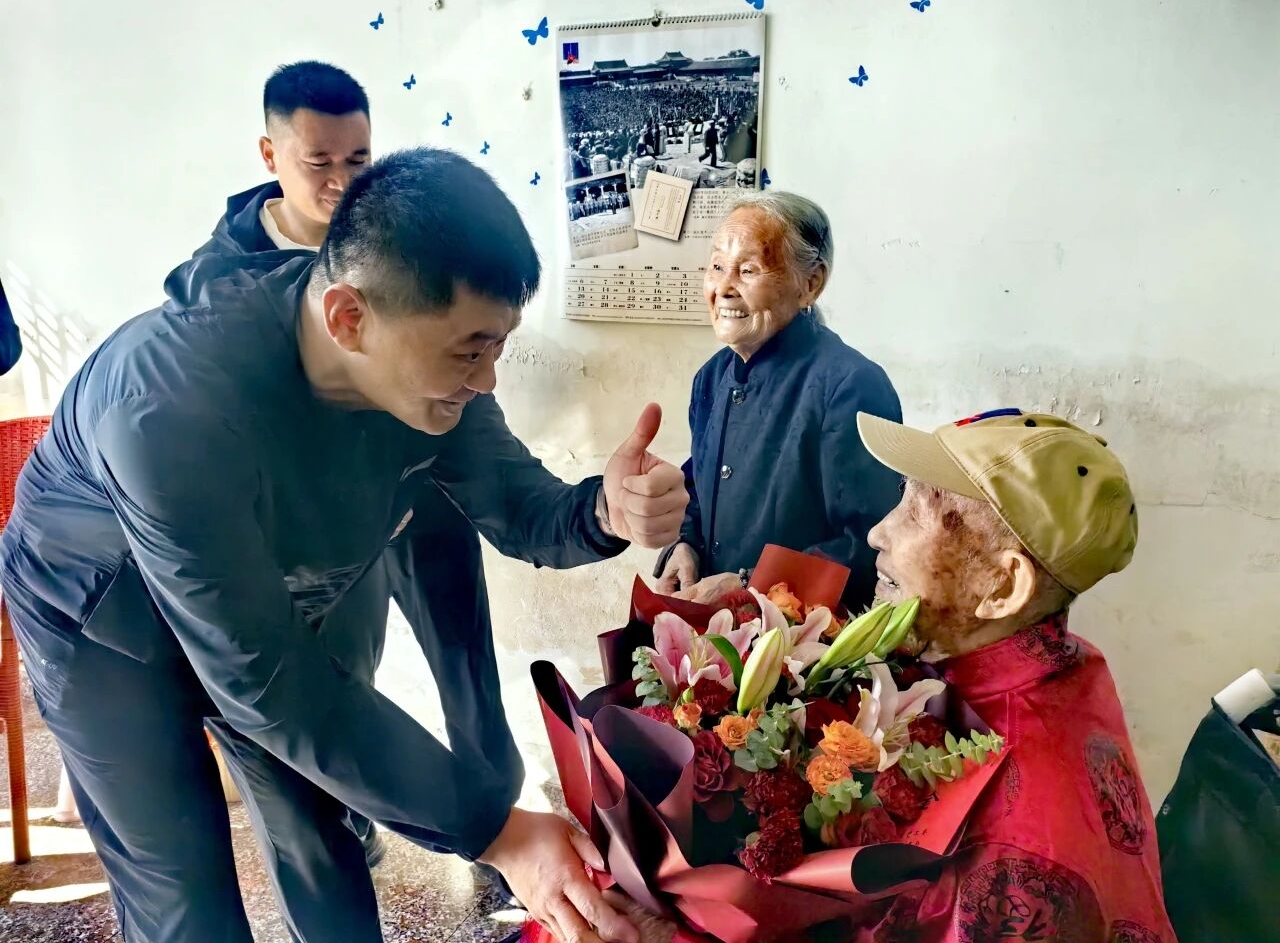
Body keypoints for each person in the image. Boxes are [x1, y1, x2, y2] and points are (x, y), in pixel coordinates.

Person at [0, 147, 689, 943]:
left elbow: (517, 506)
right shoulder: (170, 407)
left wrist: (606, 508)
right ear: (348, 318)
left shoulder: (435, 382)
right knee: (183, 890)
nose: (488, 381)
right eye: (470, 351)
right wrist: (498, 833)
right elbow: (265, 683)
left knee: (322, 831)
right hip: (101, 616)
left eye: (498, 347)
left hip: (260, 599)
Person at [191, 60, 536, 936]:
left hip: (421, 504)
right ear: (270, 154)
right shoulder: (218, 288)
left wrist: (593, 510)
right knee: (324, 699)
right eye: (320, 162)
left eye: (359, 158)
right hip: (312, 541)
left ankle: (498, 841)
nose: (342, 181)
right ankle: (357, 826)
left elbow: (490, 444)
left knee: (468, 680)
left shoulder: (406, 251)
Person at [845, 407, 1176, 940]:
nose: (878, 533)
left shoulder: (1014, 864)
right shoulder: (1066, 661)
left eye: (918, 513)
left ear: (1001, 587)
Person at [654, 193, 901, 609]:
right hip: (717, 628)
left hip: (807, 638)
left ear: (810, 284)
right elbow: (697, 486)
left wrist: (750, 586)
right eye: (717, 267)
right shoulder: (711, 378)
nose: (724, 288)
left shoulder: (852, 386)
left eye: (748, 270)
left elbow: (870, 544)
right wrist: (683, 545)